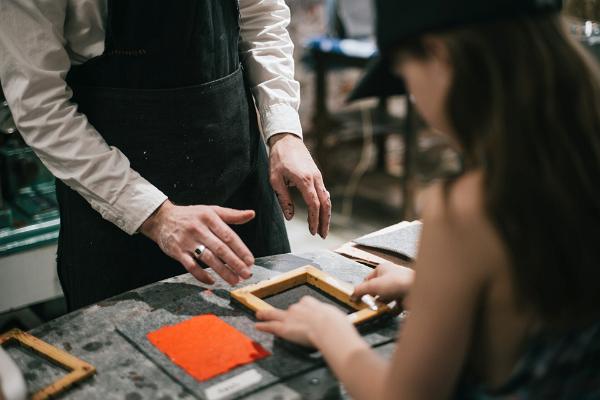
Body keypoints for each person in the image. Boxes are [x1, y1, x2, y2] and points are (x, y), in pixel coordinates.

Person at [256, 0, 600, 398]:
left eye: (406, 78)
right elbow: (541, 295)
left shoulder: (466, 209)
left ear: (439, 56)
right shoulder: (579, 160)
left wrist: (329, 332)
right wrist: (434, 287)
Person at [0, 0, 331, 310]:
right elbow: (39, 104)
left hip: (241, 185)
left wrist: (284, 130)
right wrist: (152, 214)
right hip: (121, 217)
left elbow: (262, 16)